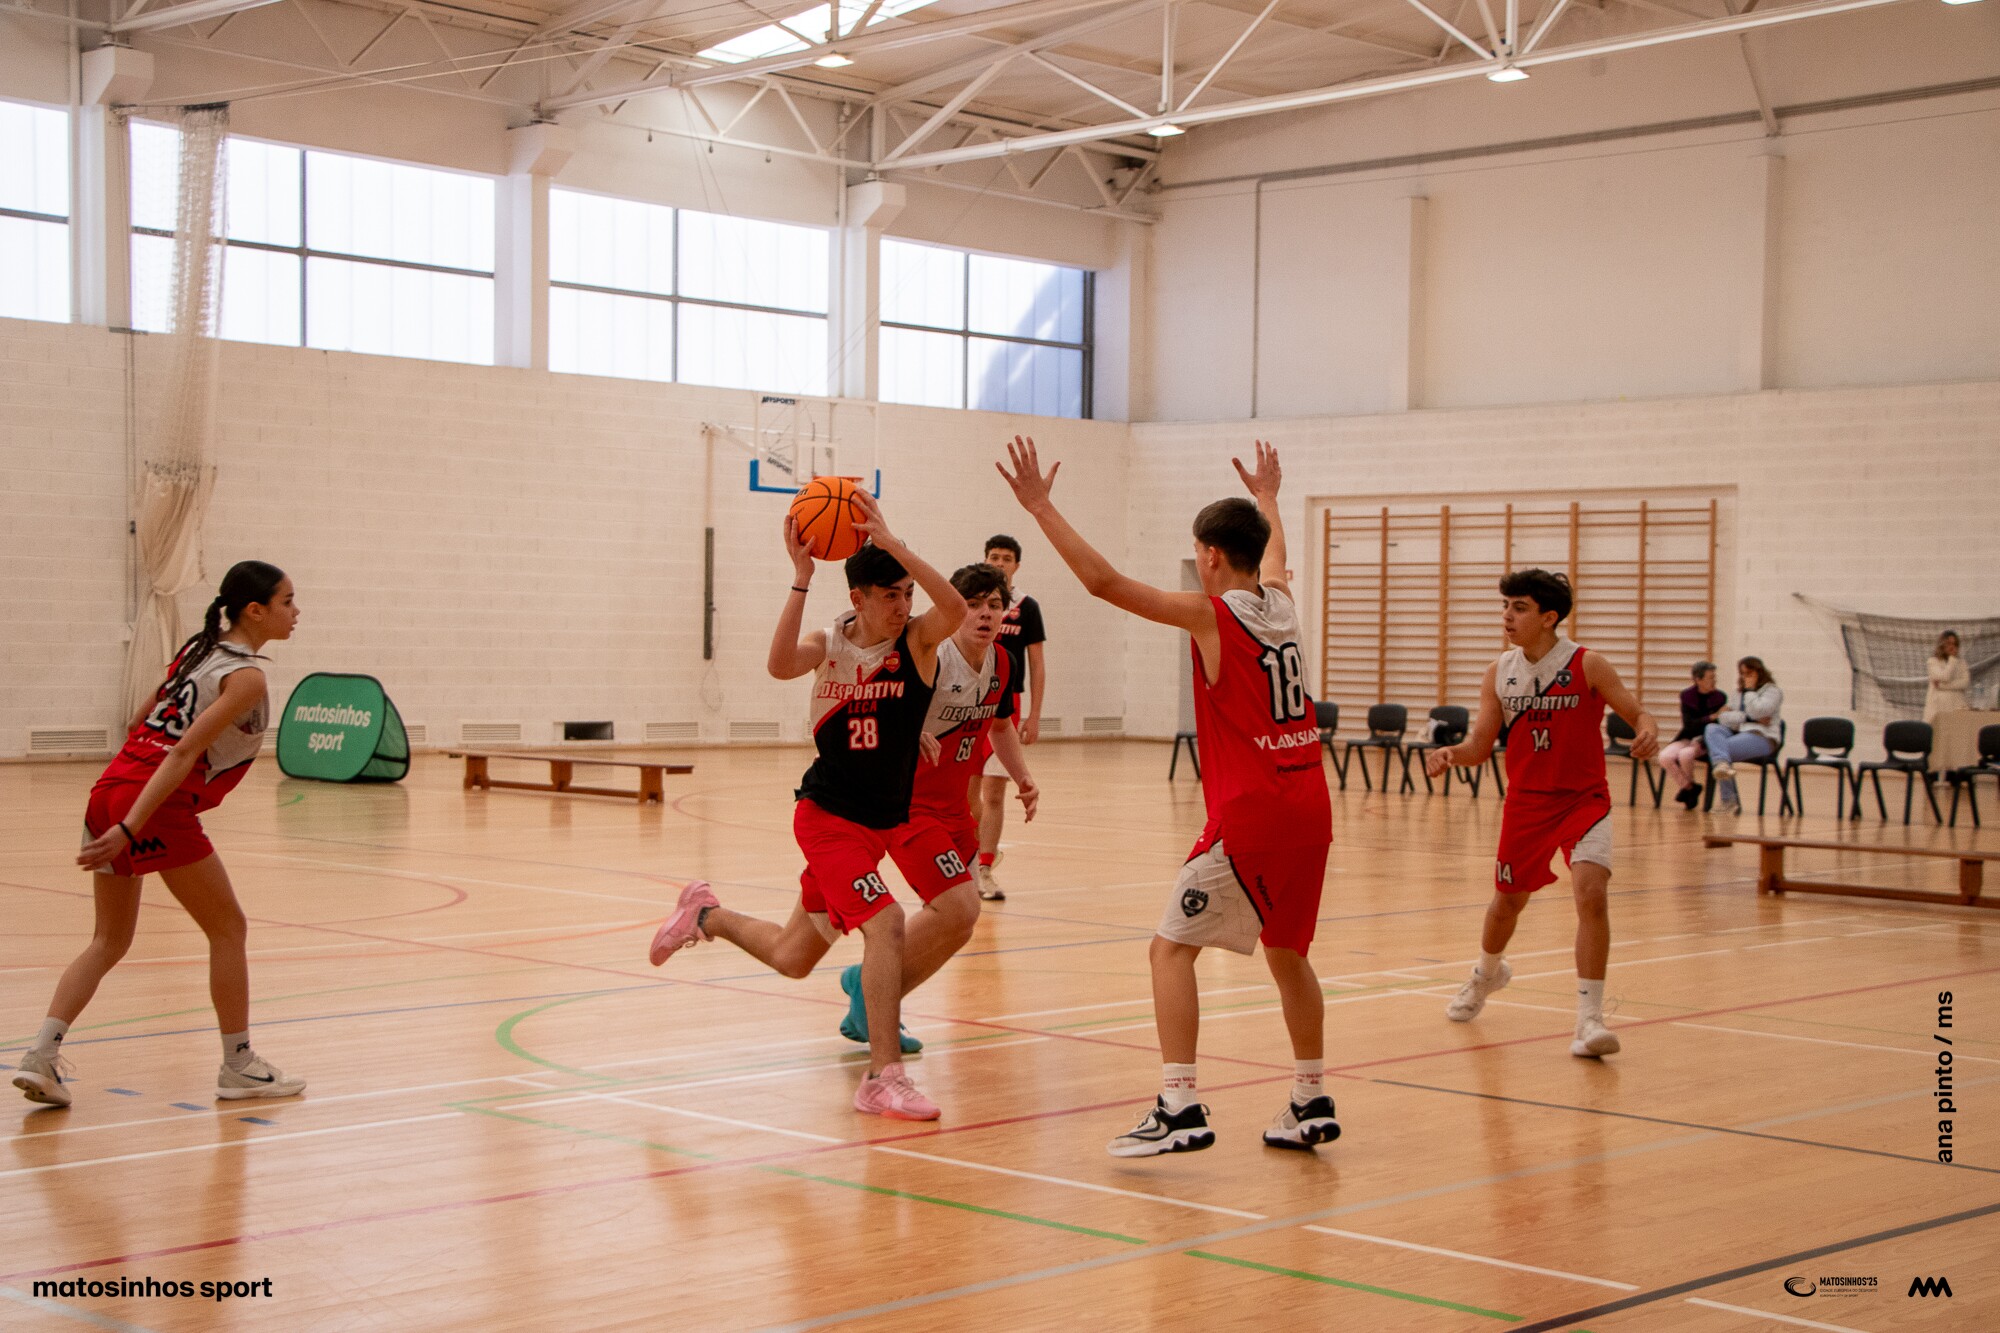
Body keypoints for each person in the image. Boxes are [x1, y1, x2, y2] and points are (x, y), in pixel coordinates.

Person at [998, 437, 1339, 1158]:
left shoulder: (1212, 614)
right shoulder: (1282, 603)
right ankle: (1310, 1096)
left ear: (1210, 555)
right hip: (1311, 807)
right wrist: (1271, 496)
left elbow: (1103, 583)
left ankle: (1179, 1103)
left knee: (1168, 949)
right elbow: (1275, 554)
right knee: (1287, 953)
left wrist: (1042, 507)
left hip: (1254, 810)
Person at [647, 492, 966, 1121]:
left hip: (874, 827)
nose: (904, 606)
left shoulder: (921, 645)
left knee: (794, 957)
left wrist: (896, 542)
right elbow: (776, 665)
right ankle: (883, 1077)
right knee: (888, 923)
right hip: (827, 817)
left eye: (906, 593)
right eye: (890, 595)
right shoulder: (832, 644)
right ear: (859, 600)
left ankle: (706, 915)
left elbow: (951, 604)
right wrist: (800, 579)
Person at [15, 561, 307, 1109]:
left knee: (109, 940)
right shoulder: (246, 677)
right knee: (229, 929)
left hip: (109, 788)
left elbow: (137, 724)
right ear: (256, 610)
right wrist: (134, 825)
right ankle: (239, 1065)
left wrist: (123, 812)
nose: (297, 612)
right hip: (153, 806)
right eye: (288, 601)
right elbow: (181, 752)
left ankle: (40, 1055)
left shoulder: (196, 653)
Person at [1425, 569, 1658, 1060]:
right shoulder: (1499, 671)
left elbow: (1637, 713)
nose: (1507, 615)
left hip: (1583, 799)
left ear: (1549, 617)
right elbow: (1480, 745)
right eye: (1505, 605)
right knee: (1506, 904)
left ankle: (1589, 1020)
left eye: (1520, 607)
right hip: (1526, 804)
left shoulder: (1588, 664)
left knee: (1591, 894)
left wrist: (1647, 730)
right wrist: (1451, 754)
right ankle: (1487, 974)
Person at [835, 562, 1039, 1052]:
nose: (984, 614)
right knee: (958, 908)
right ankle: (871, 991)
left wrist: (1024, 775)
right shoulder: (927, 656)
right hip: (908, 805)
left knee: (960, 922)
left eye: (994, 605)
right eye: (972, 604)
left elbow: (1001, 726)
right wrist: (907, 730)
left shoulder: (1004, 663)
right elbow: (872, 707)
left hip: (954, 812)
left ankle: (870, 988)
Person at [967, 535, 1047, 901]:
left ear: (1016, 565)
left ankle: (984, 868)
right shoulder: (969, 603)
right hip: (968, 702)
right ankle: (968, 861)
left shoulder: (1026, 608)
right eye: (994, 557)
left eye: (1006, 558)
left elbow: (1037, 662)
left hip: (1006, 704)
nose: (1000, 563)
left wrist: (1034, 714)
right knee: (969, 794)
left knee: (995, 792)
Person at [1704, 657, 1783, 815]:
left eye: (1749, 673)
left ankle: (1728, 800)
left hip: (1763, 738)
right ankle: (1724, 772)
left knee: (1720, 752)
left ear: (1759, 672)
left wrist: (1750, 691)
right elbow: (1723, 717)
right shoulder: (1738, 693)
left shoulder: (1772, 691)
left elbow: (1759, 711)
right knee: (1712, 728)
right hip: (1741, 733)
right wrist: (1748, 718)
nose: (1745, 677)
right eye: (1742, 673)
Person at [1658, 661, 1727, 808]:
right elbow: (1689, 725)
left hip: (1706, 741)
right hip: (1687, 736)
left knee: (1685, 755)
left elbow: (1719, 726)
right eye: (1710, 677)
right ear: (1698, 679)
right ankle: (1690, 787)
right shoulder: (1687, 696)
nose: (1714, 681)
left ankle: (1688, 792)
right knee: (1664, 757)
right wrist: (1710, 717)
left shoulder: (1720, 697)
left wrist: (1708, 722)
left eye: (1714, 677)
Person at [1926, 631, 1970, 725]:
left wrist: (1942, 686)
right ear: (1942, 645)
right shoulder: (1933, 662)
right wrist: (1952, 660)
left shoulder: (1962, 663)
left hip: (1957, 706)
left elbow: (1965, 683)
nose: (1952, 647)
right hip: (1938, 708)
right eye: (1949, 644)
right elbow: (1945, 677)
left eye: (1955, 644)